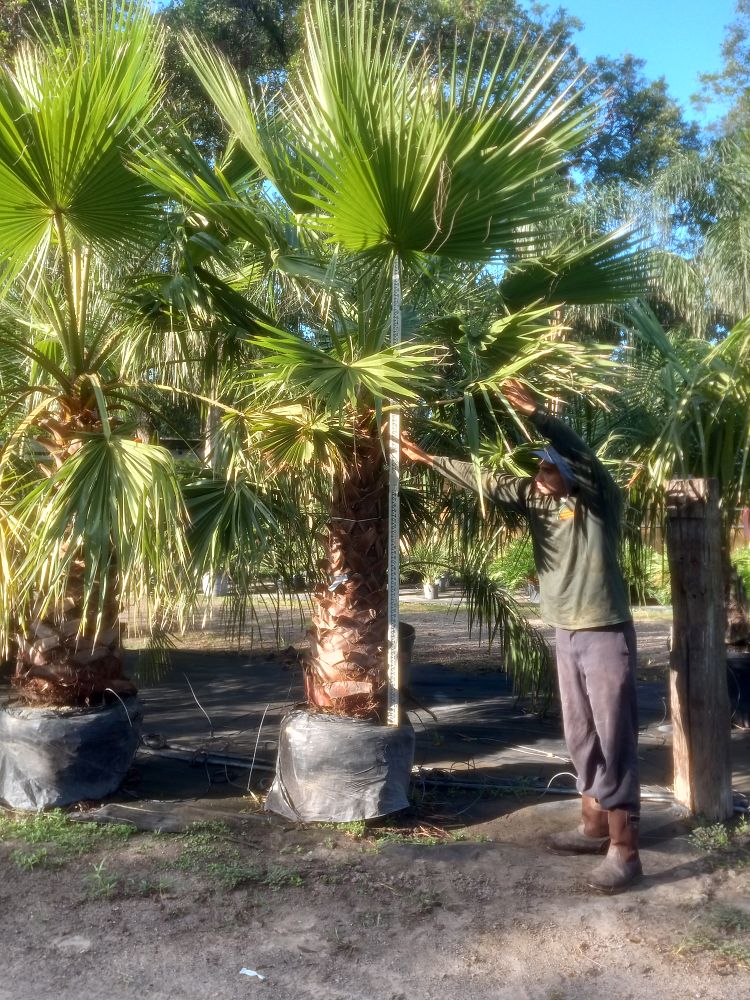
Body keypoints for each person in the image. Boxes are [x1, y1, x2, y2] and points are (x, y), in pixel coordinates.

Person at [401, 379, 641, 893]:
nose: (539, 473)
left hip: (604, 633)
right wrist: (428, 460)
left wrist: (540, 415)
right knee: (580, 734)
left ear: (570, 473)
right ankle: (594, 825)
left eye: (549, 467)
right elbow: (485, 481)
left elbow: (582, 454)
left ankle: (625, 849)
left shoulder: (598, 500)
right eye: (538, 465)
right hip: (567, 633)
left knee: (614, 736)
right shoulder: (538, 501)